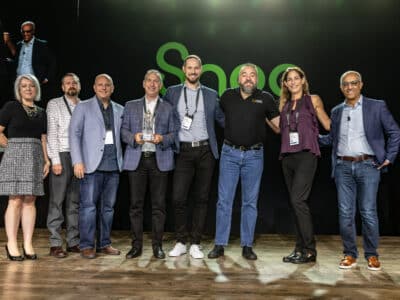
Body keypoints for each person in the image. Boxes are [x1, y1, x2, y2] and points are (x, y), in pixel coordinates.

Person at [319, 70, 400, 271]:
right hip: (342, 166)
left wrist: (389, 158)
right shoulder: (337, 111)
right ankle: (349, 254)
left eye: (353, 83)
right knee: (345, 213)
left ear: (361, 85)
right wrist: (309, 138)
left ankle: (372, 255)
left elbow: (394, 131)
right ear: (341, 88)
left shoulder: (377, 106)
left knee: (368, 212)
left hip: (368, 166)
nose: (349, 87)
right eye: (345, 84)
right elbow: (331, 139)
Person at [208, 63, 280, 260]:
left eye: (252, 75)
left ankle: (247, 245)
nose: (249, 78)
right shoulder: (227, 96)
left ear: (257, 80)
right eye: (244, 75)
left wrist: (264, 115)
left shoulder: (265, 98)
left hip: (254, 156)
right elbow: (217, 116)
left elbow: (278, 126)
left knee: (250, 202)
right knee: (224, 201)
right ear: (238, 79)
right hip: (229, 154)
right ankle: (219, 244)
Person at [164, 54, 224, 259]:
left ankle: (196, 243)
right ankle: (181, 241)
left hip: (206, 151)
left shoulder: (210, 94)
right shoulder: (172, 93)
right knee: (178, 197)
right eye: (189, 68)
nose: (192, 71)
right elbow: (162, 118)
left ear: (201, 70)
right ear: (183, 69)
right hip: (183, 151)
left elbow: (222, 120)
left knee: (202, 198)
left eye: (196, 68)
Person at [122, 70, 176, 259]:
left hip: (158, 159)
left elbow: (174, 134)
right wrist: (132, 137)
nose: (153, 84)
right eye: (149, 81)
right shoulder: (130, 106)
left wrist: (162, 138)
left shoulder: (168, 107)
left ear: (160, 86)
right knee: (136, 206)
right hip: (137, 158)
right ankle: (136, 246)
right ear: (143, 84)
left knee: (158, 206)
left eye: (156, 82)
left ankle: (157, 246)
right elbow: (123, 131)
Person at [278, 67, 330, 264]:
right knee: (295, 204)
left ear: (302, 80)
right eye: (288, 80)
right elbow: (279, 129)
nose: (292, 82)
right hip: (287, 158)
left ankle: (309, 250)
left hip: (307, 156)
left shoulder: (312, 99)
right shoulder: (284, 104)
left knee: (298, 201)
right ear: (285, 84)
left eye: (295, 78)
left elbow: (327, 123)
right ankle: (298, 248)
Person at [69, 73, 124, 259]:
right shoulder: (83, 107)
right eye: (100, 84)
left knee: (108, 209)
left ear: (112, 88)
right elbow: (74, 135)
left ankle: (104, 244)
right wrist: (77, 161)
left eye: (107, 85)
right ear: (94, 87)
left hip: (114, 166)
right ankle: (86, 245)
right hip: (91, 166)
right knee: (88, 208)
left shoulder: (119, 109)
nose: (104, 88)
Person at [0, 74, 50, 261]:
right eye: (24, 86)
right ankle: (11, 242)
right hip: (15, 157)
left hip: (35, 156)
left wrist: (47, 160)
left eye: (31, 86)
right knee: (15, 200)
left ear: (36, 89)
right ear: (18, 89)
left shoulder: (41, 112)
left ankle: (28, 243)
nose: (28, 89)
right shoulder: (11, 107)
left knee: (30, 200)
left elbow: (43, 138)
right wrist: (11, 147)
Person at [46, 73, 81, 258]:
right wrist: (55, 161)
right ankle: (55, 243)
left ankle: (73, 241)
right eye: (67, 83)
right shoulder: (54, 104)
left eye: (74, 82)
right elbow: (51, 133)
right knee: (57, 201)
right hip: (62, 154)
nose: (71, 85)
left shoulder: (84, 105)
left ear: (79, 86)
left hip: (79, 157)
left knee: (74, 202)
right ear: (62, 87)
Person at [15, 21, 56, 103]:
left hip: (35, 83)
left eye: (28, 31)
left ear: (33, 31)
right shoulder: (18, 45)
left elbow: (52, 62)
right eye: (23, 31)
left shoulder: (42, 45)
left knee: (35, 106)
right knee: (20, 107)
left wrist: (47, 78)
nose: (25, 34)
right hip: (19, 83)